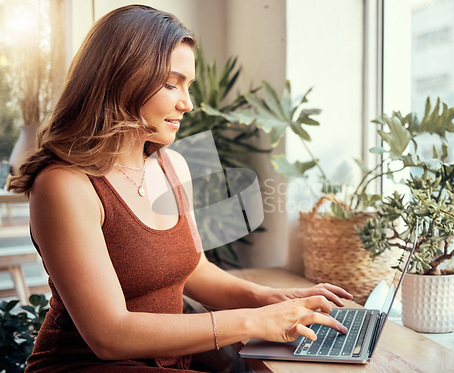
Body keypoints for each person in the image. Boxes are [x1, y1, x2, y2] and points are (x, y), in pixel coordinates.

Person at [8, 5, 352, 372]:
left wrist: (272, 299)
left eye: (189, 86)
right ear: (123, 78)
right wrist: (253, 321)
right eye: (171, 84)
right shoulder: (64, 184)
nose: (187, 104)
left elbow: (193, 270)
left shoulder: (175, 164)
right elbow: (109, 334)